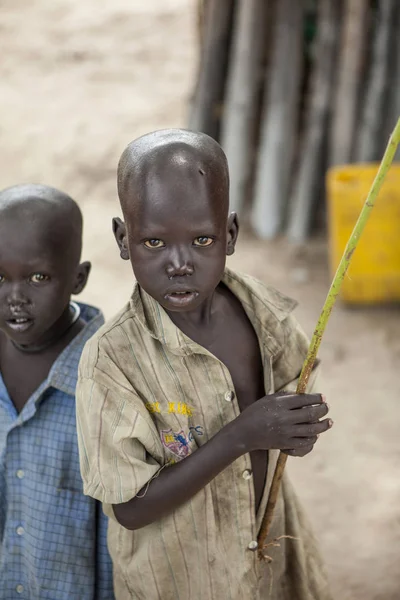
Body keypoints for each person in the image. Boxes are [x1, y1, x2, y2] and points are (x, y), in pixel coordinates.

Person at [77, 129, 333, 600]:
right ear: (123, 238)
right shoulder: (111, 362)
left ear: (229, 234)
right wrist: (241, 436)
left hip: (267, 545)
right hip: (184, 576)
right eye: (154, 243)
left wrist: (297, 429)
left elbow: (295, 395)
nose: (179, 262)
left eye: (202, 239)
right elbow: (130, 509)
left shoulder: (259, 309)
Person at [0, 184, 114, 600]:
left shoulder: (109, 383)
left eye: (38, 277)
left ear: (78, 278)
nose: (15, 297)